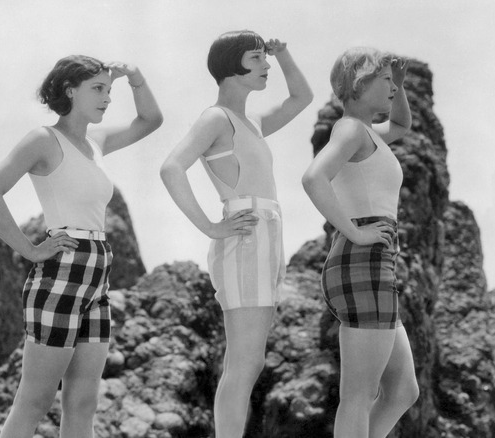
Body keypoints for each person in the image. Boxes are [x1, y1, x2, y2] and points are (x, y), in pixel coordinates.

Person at [0, 55, 162, 438]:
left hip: (97, 278)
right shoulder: (43, 139)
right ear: (68, 90)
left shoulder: (97, 141)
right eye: (97, 88)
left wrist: (136, 79)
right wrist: (30, 249)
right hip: (61, 273)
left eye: (109, 90)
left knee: (83, 403)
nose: (107, 98)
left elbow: (151, 121)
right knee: (35, 401)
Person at [160, 30, 312, 437]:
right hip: (244, 237)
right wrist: (209, 226)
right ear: (232, 65)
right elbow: (171, 167)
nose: (265, 66)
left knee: (252, 361)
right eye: (256, 58)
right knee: (244, 361)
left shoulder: (252, 121)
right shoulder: (216, 118)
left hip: (266, 238)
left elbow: (302, 98)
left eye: (265, 58)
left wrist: (284, 55)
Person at [301, 47, 419, 437]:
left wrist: (399, 85)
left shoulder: (369, 133)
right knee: (359, 394)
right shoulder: (350, 128)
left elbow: (402, 123)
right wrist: (353, 230)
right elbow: (313, 177)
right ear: (358, 82)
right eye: (384, 80)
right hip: (362, 259)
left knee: (402, 389)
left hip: (374, 262)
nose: (391, 87)